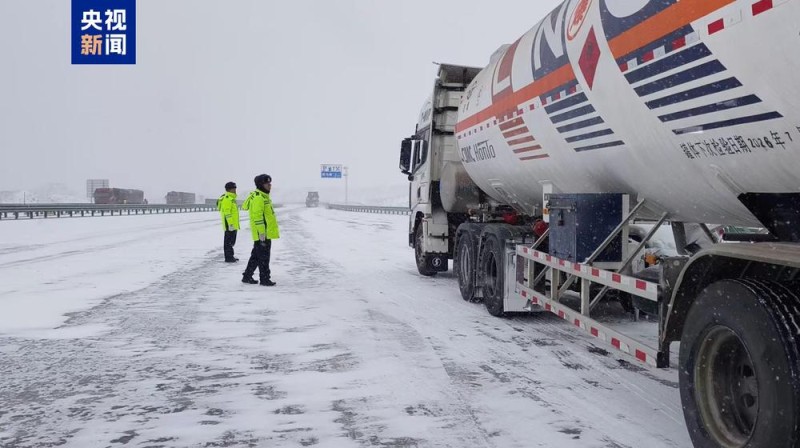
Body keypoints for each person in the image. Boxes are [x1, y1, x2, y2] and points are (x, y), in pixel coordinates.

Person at [241, 174, 280, 286]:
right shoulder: (259, 198)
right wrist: (262, 233)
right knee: (263, 257)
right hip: (263, 233)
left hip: (263, 232)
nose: (270, 185)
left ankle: (247, 276)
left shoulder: (263, 196)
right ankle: (264, 279)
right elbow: (257, 217)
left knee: (257, 255)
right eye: (267, 183)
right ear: (260, 185)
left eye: (270, 183)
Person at [217, 181, 240, 262]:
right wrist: (230, 224)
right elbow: (227, 212)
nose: (235, 190)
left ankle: (230, 256)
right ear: (229, 189)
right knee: (228, 242)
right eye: (234, 188)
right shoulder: (227, 199)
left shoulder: (232, 199)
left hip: (233, 224)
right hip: (229, 224)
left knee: (231, 242)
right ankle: (229, 257)